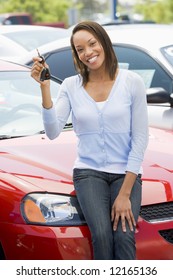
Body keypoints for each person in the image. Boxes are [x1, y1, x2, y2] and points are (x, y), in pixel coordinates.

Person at [31, 21, 149, 260]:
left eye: (92, 44)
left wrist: (125, 194)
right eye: (80, 49)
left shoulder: (131, 82)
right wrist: (44, 89)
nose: (88, 52)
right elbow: (53, 131)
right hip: (89, 173)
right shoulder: (70, 86)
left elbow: (140, 138)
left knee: (124, 235)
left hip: (126, 174)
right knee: (102, 236)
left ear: (103, 42)